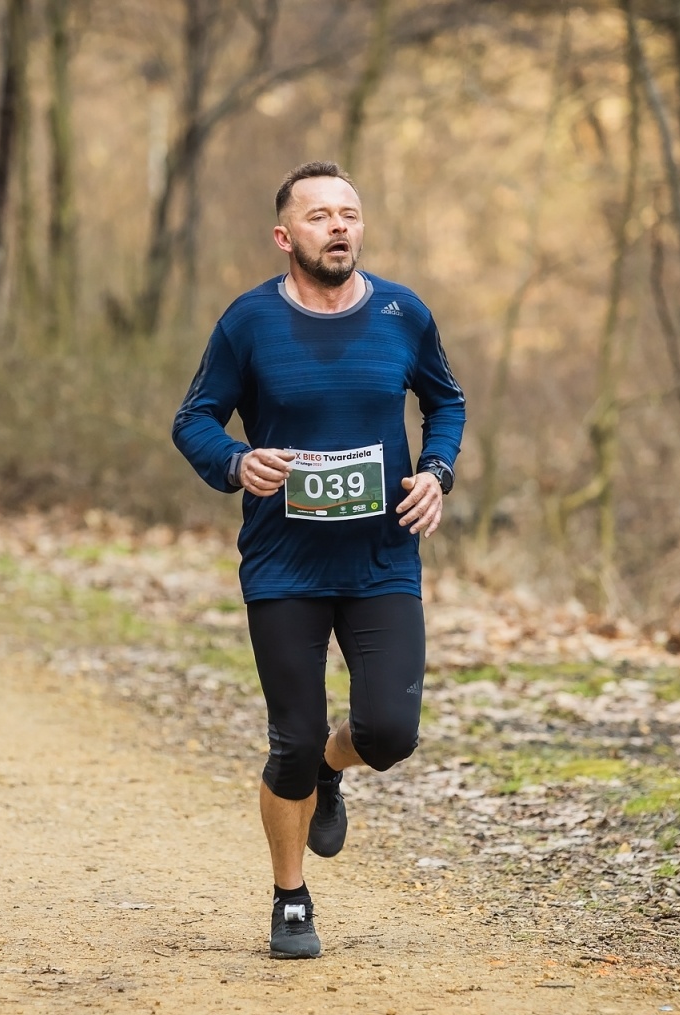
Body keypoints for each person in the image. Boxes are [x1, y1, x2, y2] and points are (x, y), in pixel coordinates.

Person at [172, 161, 466, 959]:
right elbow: (194, 419)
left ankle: (335, 773)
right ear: (284, 236)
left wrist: (437, 474)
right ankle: (290, 897)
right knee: (292, 739)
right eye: (319, 216)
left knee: (391, 733)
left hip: (381, 559)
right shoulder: (249, 322)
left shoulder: (404, 313)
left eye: (350, 213)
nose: (339, 227)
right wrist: (235, 462)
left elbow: (446, 403)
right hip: (285, 565)